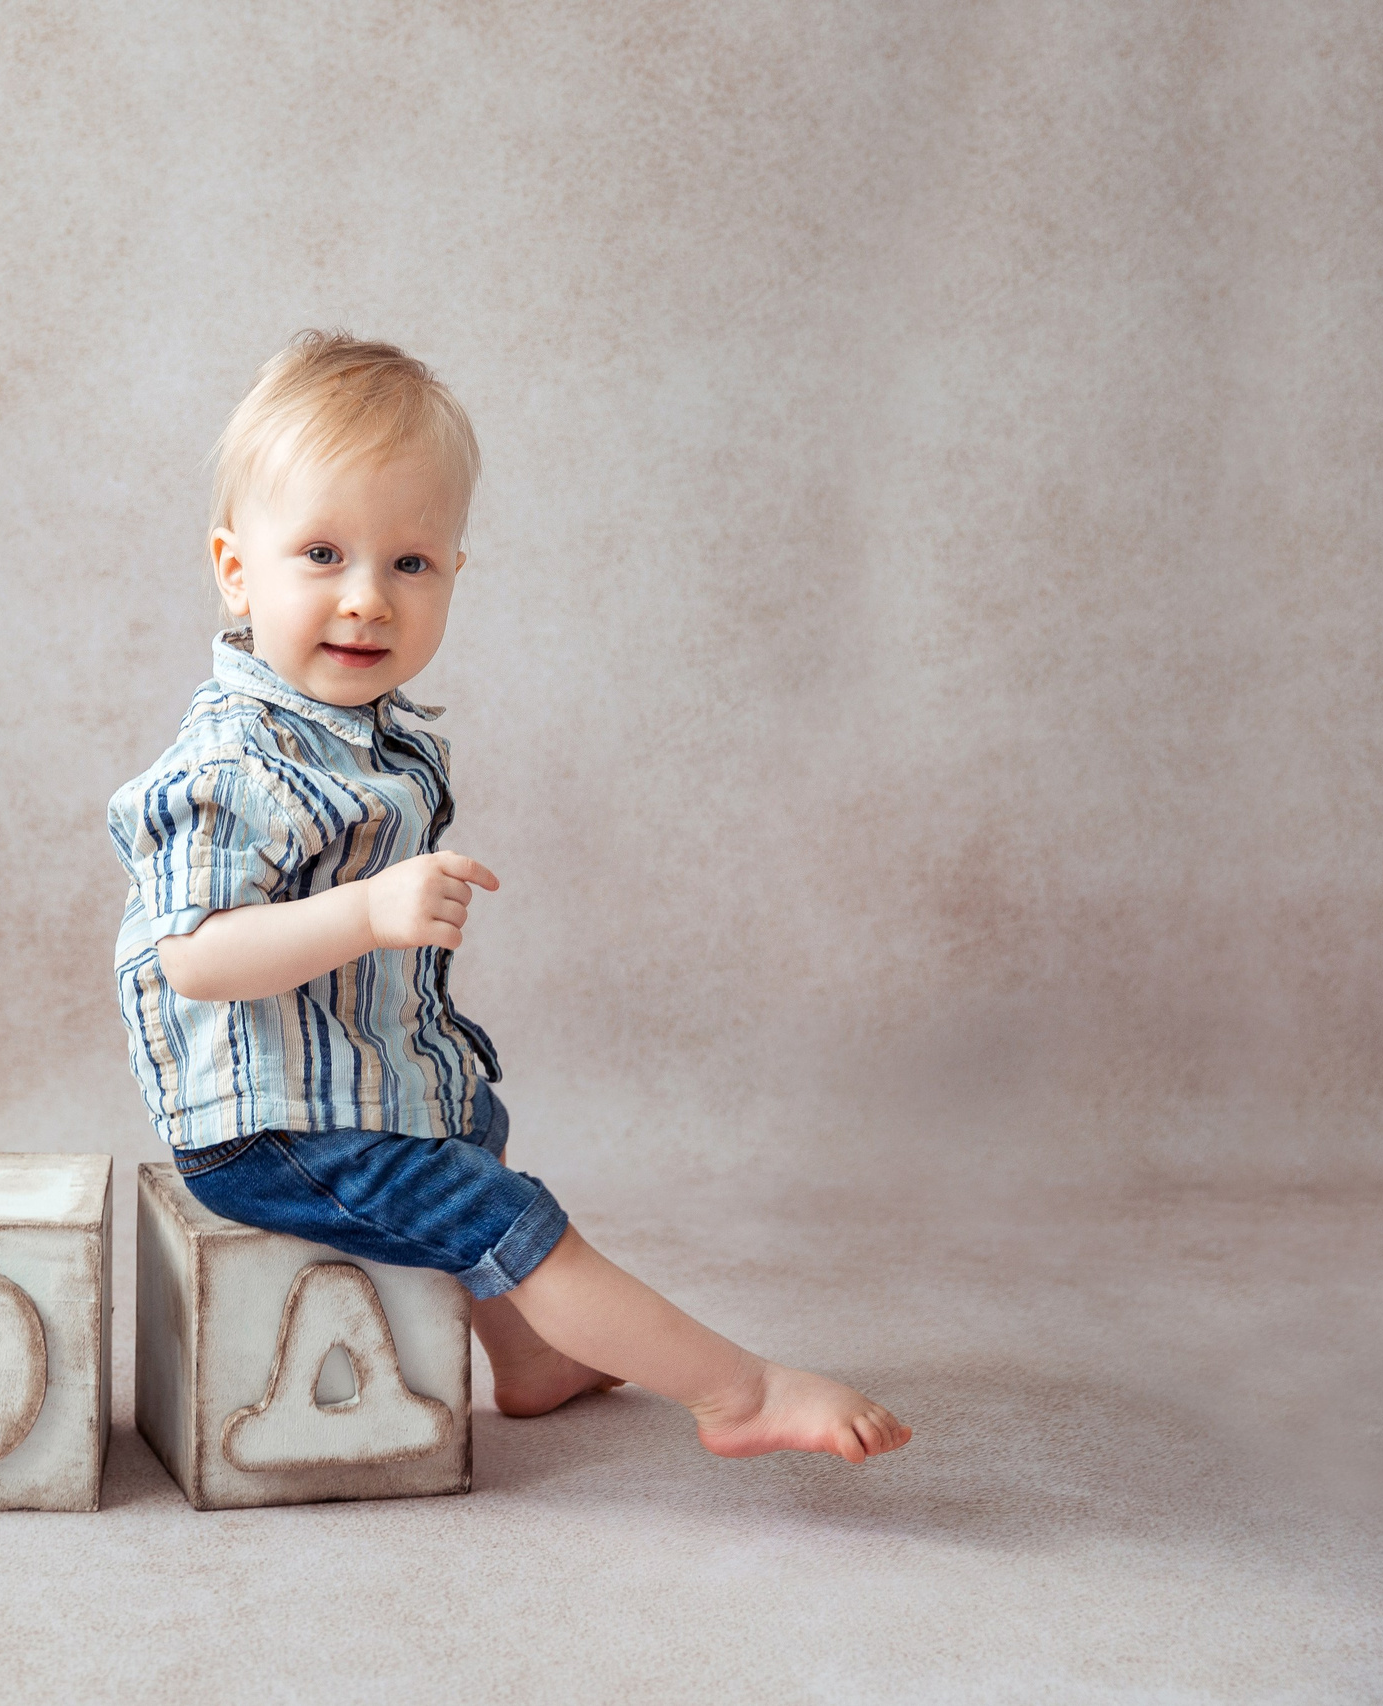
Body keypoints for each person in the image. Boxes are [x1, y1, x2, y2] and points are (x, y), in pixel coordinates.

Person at [107, 331, 911, 1463]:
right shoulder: (231, 762)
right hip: (271, 1130)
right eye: (323, 554)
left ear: (454, 572)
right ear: (237, 569)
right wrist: (367, 913)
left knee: (475, 1129)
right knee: (505, 1216)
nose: (365, 600)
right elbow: (194, 957)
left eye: (409, 564)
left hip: (352, 1081)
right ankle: (740, 1393)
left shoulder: (362, 735)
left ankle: (532, 1362)